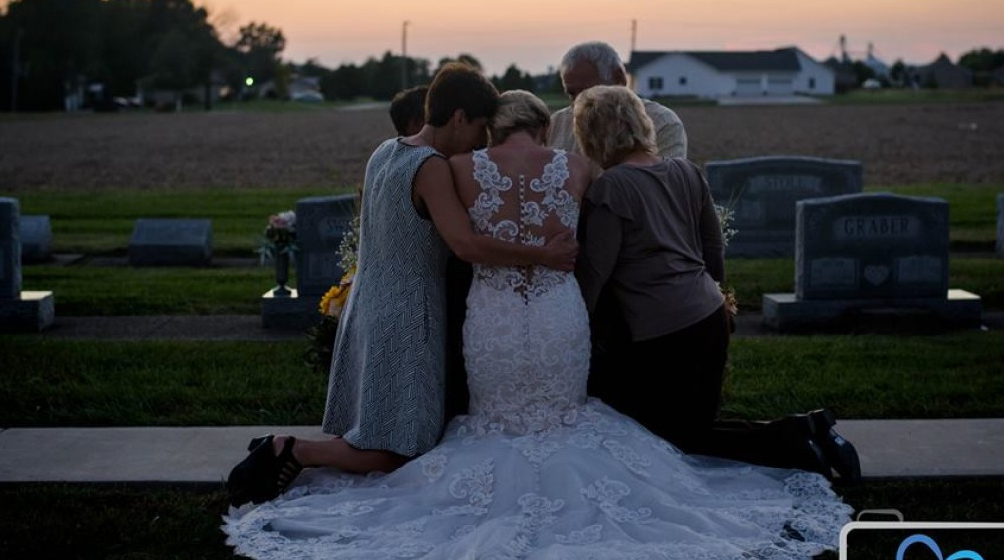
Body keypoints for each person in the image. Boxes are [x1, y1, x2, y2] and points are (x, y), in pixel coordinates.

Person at [223, 89, 852, 559]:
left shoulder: (457, 169)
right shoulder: (581, 172)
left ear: (492, 127)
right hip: (558, 312)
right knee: (566, 417)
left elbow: (457, 246)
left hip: (493, 314)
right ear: (542, 127)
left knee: (499, 419)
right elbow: (609, 239)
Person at [226, 64, 578, 507]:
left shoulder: (386, 150)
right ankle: (291, 449)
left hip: (370, 304)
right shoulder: (430, 168)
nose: (479, 144)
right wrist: (544, 255)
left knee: (382, 427)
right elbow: (465, 244)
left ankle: (292, 448)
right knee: (402, 450)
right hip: (410, 316)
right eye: (478, 130)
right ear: (458, 118)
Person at [573, 85, 860, 481]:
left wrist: (574, 326)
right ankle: (807, 431)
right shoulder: (687, 172)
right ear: (640, 123)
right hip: (707, 316)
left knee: (673, 437)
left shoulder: (611, 188)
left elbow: (595, 273)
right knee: (692, 426)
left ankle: (799, 443)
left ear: (592, 135)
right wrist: (716, 299)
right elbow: (714, 249)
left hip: (659, 332)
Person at [548, 41, 687, 159]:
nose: (579, 103)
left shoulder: (662, 123)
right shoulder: (556, 124)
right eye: (571, 93)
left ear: (619, 79)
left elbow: (663, 185)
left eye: (589, 93)